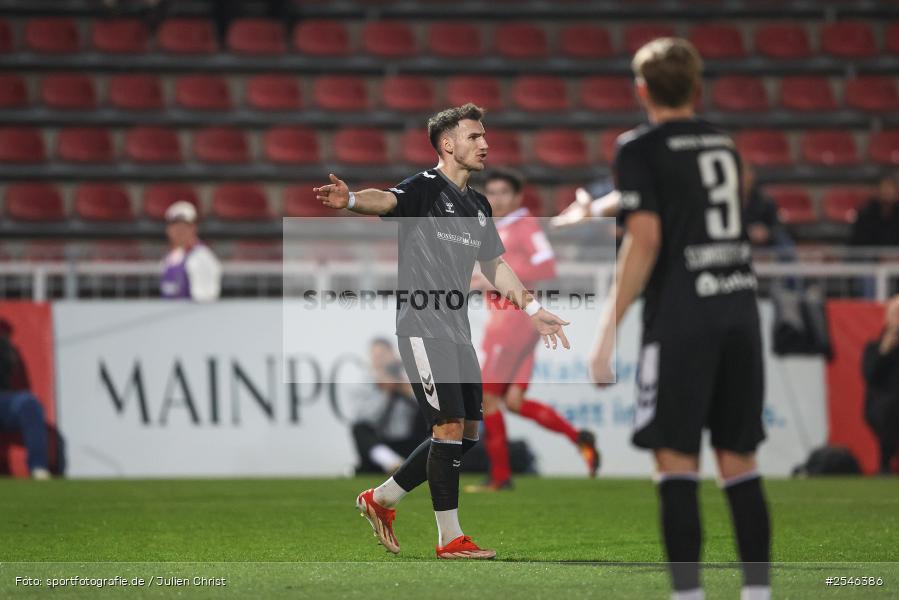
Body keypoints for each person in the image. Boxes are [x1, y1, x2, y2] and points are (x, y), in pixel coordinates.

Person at [314, 103, 571, 560]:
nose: (485, 144)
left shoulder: (478, 205)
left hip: (457, 329)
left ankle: (383, 498)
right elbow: (387, 200)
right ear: (448, 144)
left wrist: (532, 307)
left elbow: (494, 264)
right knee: (448, 425)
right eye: (474, 137)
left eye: (484, 136)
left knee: (469, 431)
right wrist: (351, 200)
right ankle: (449, 538)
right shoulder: (426, 188)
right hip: (421, 324)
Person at [589, 39, 771, 600]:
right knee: (738, 458)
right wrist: (598, 207)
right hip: (739, 310)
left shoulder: (637, 146)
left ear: (641, 89)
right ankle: (758, 592)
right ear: (697, 87)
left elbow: (645, 243)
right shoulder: (724, 143)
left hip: (682, 317)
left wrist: (605, 334)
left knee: (675, 459)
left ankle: (688, 595)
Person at [468, 168, 599, 492]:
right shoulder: (496, 228)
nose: (496, 198)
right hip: (516, 322)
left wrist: (491, 279)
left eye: (503, 193)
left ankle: (500, 478)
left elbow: (546, 265)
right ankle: (579, 438)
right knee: (511, 399)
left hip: (511, 322)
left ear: (516, 197)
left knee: (487, 396)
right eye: (492, 192)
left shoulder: (523, 226)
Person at [352, 338, 428, 474]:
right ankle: (392, 463)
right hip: (382, 445)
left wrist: (406, 390)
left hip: (412, 442)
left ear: (393, 355)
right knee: (359, 428)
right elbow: (366, 418)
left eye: (382, 356)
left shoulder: (411, 374)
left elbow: (430, 408)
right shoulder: (367, 382)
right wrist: (385, 392)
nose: (379, 360)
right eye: (375, 357)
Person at [0, 330, 50, 479]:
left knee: (29, 404)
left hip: (4, 400)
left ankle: (38, 468)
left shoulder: (3, 344)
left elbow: (9, 368)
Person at [862, 295, 899, 475]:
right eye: (896, 313)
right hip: (882, 406)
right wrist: (885, 349)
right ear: (887, 317)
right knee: (891, 407)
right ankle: (885, 462)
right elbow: (870, 375)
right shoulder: (874, 347)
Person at [160, 201, 222, 302]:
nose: (179, 231)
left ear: (193, 228)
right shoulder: (171, 256)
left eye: (184, 227)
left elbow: (204, 302)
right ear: (168, 230)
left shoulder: (201, 257)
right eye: (175, 226)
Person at [849, 173, 899, 248]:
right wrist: (878, 257)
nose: (888, 192)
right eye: (885, 188)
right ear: (877, 191)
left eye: (891, 189)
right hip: (870, 258)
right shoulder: (865, 215)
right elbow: (858, 244)